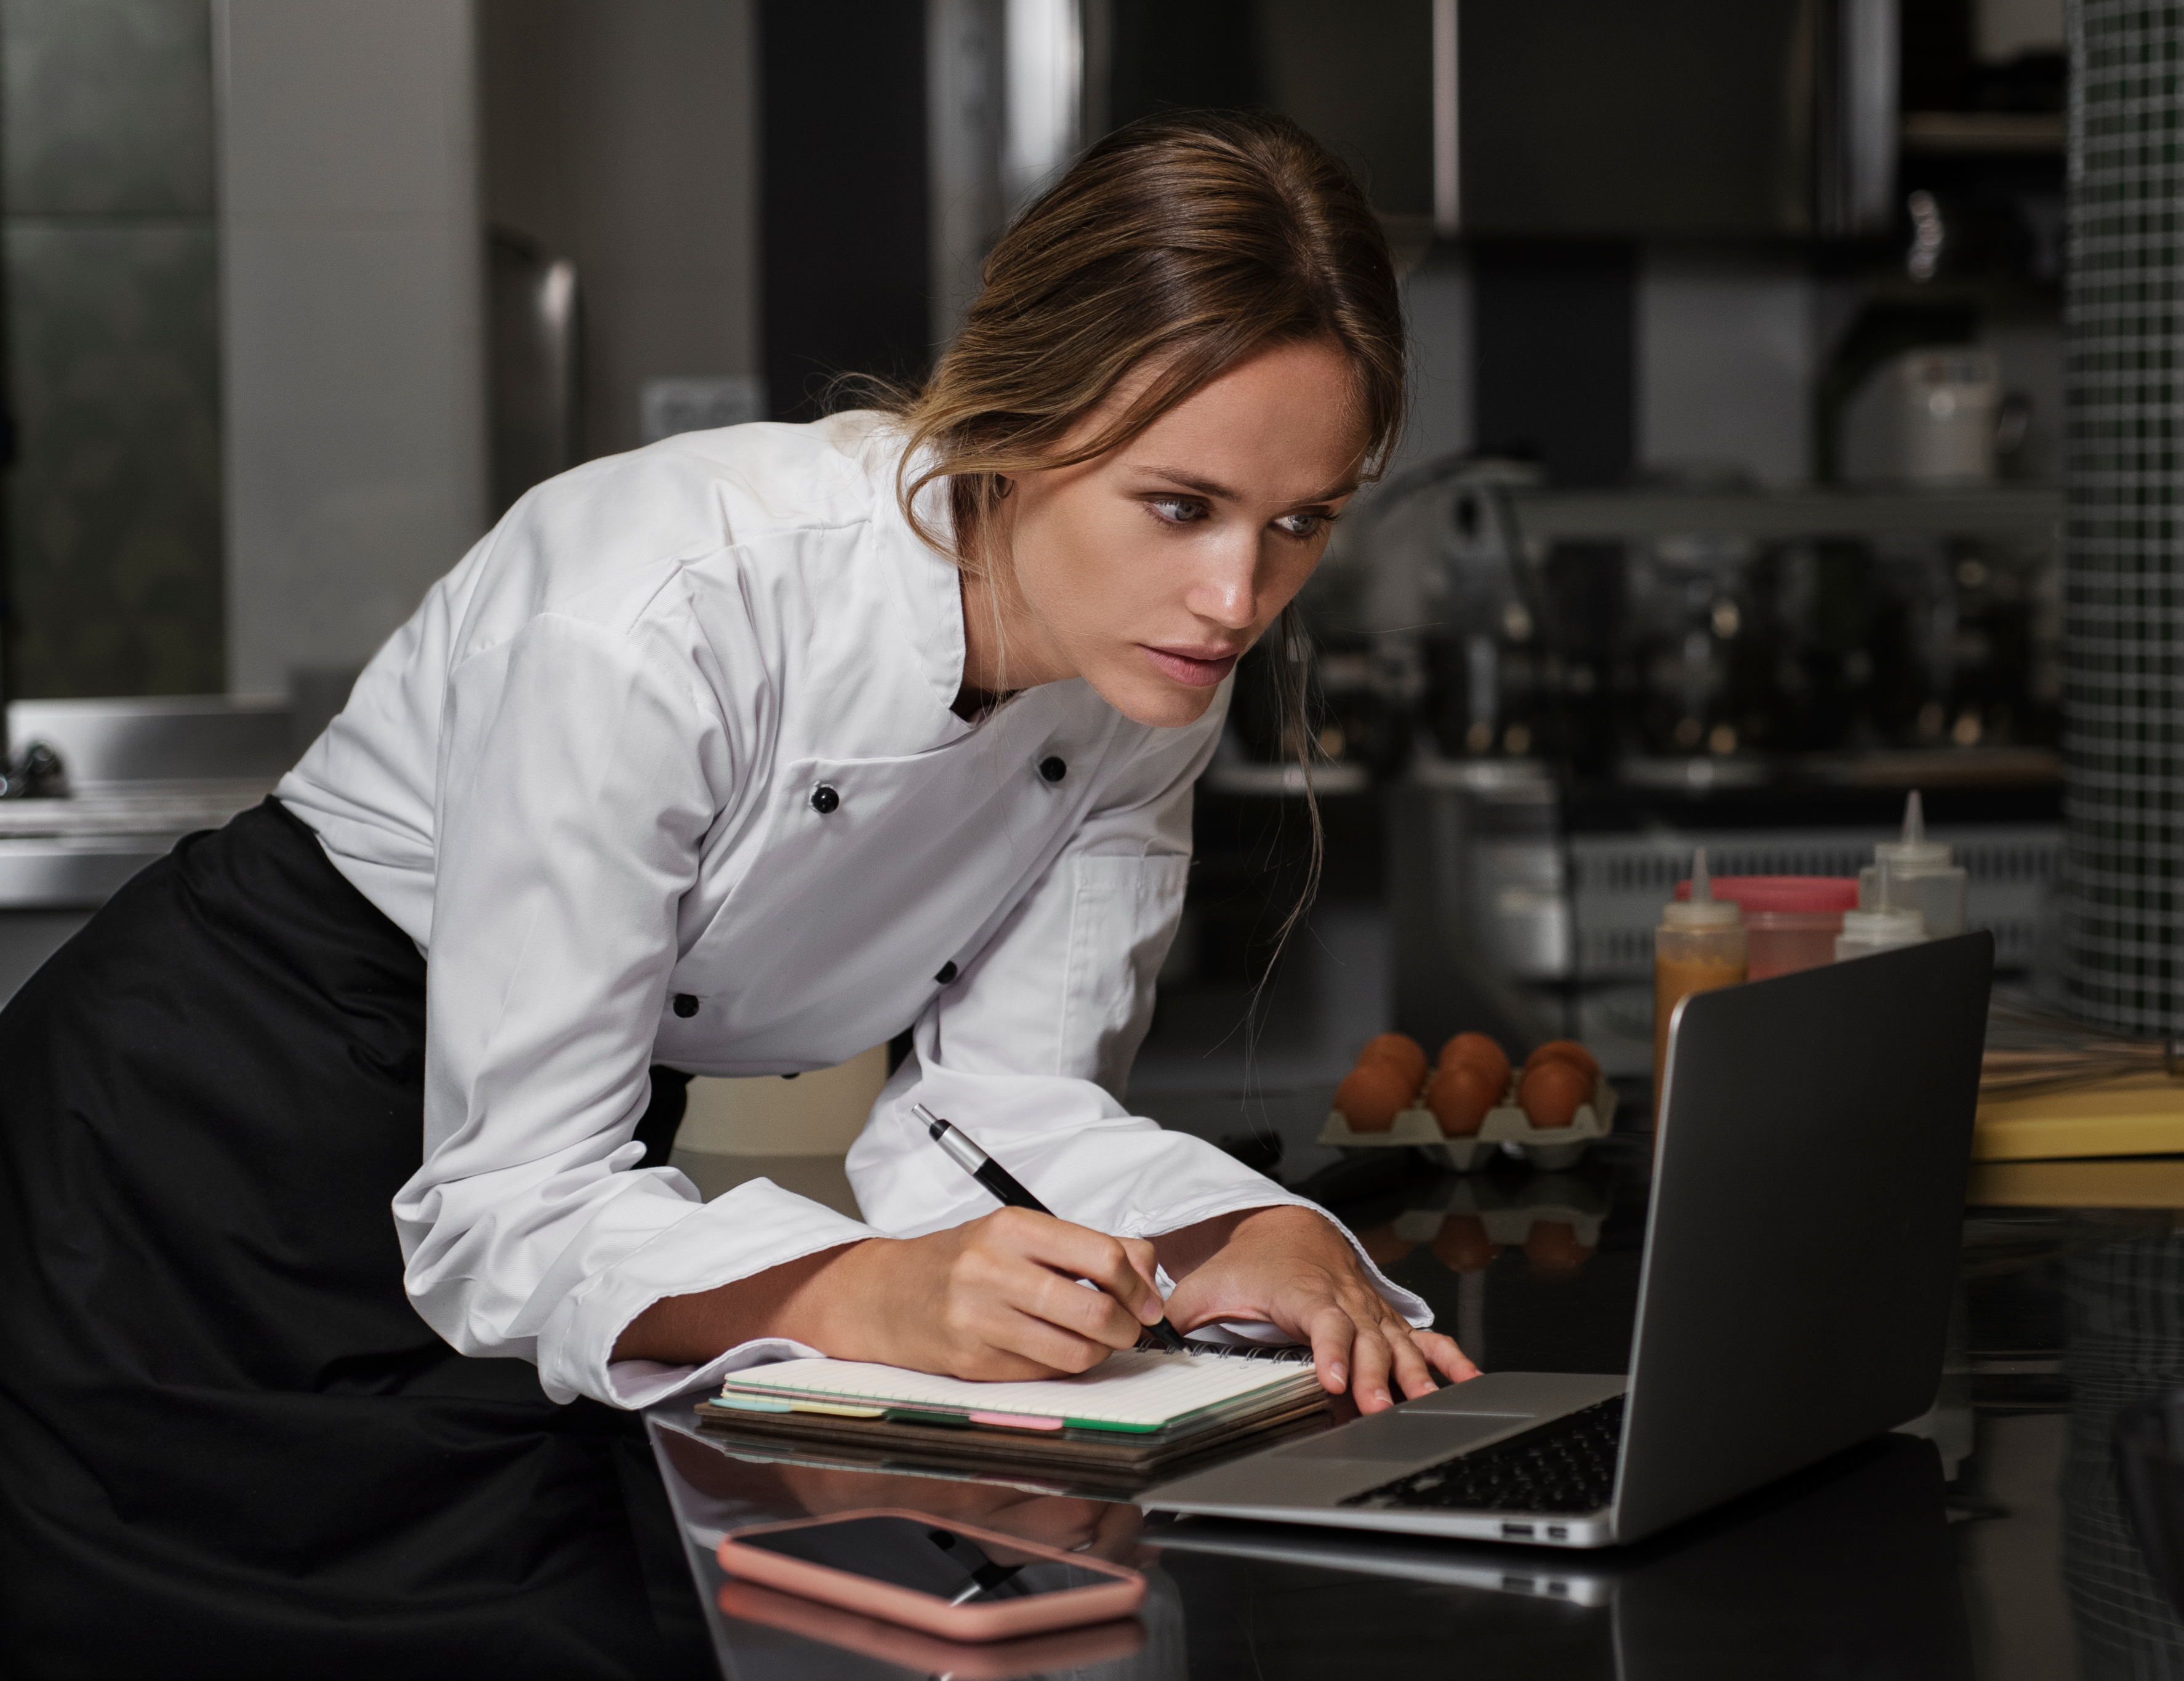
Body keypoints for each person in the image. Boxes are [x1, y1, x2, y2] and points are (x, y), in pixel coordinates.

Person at [0, 111, 1473, 1677]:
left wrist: (1227, 1233)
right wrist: (867, 1290)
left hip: (574, 1179)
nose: (1237, 599)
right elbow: (506, 1199)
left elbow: (1005, 1105)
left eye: (1299, 521)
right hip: (194, 1157)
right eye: (1179, 506)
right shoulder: (660, 607)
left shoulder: (1144, 675)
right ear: (1015, 420)